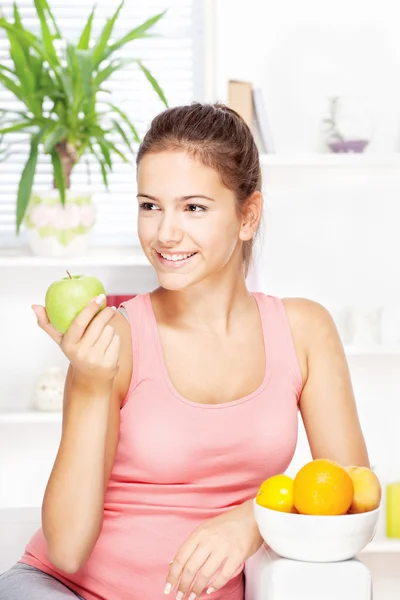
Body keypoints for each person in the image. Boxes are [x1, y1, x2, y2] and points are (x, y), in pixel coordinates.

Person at [0, 102, 370, 600]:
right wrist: (89, 382)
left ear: (248, 216)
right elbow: (66, 549)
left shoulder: (304, 331)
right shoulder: (117, 337)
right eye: (149, 205)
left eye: (193, 207)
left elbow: (354, 490)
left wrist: (251, 520)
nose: (164, 233)